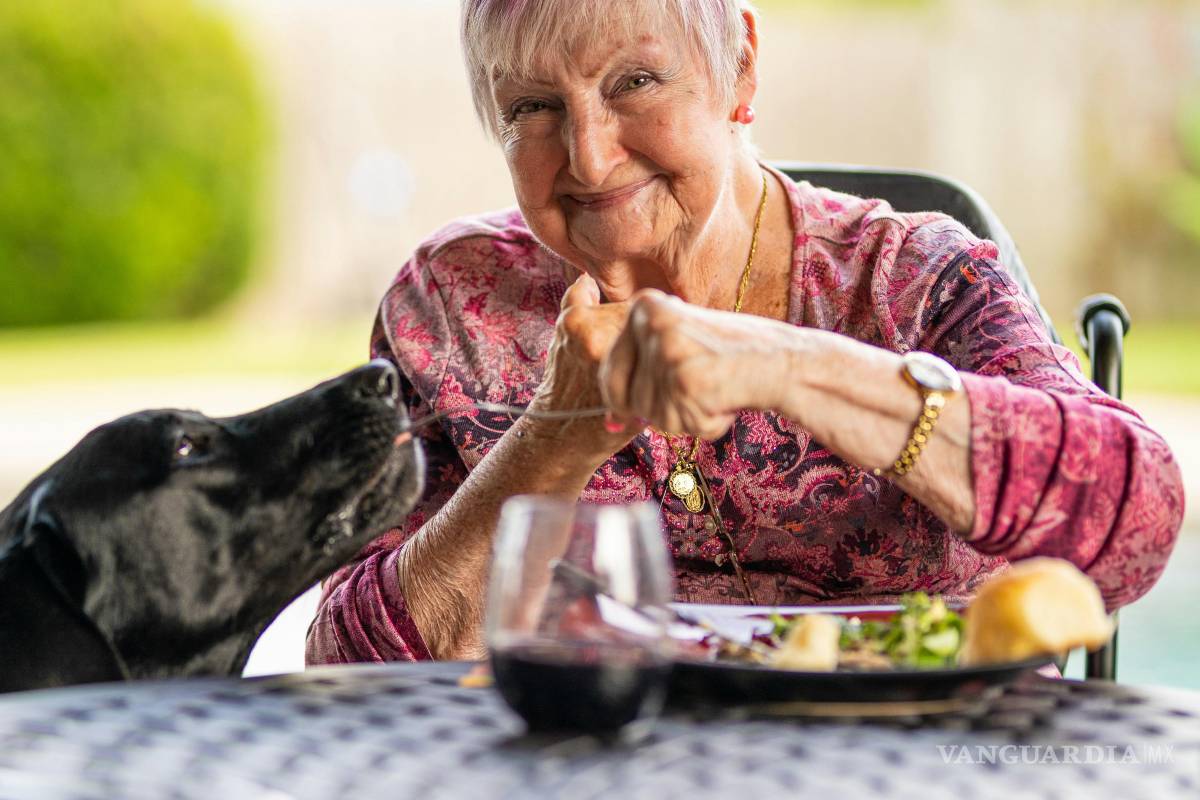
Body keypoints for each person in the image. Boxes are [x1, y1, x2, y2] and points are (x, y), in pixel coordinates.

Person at [306, 0, 1184, 664]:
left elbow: (1137, 520)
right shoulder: (454, 303)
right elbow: (348, 668)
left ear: (741, 70)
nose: (589, 156)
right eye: (533, 107)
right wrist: (554, 435)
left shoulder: (913, 281)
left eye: (635, 82)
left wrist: (789, 365)